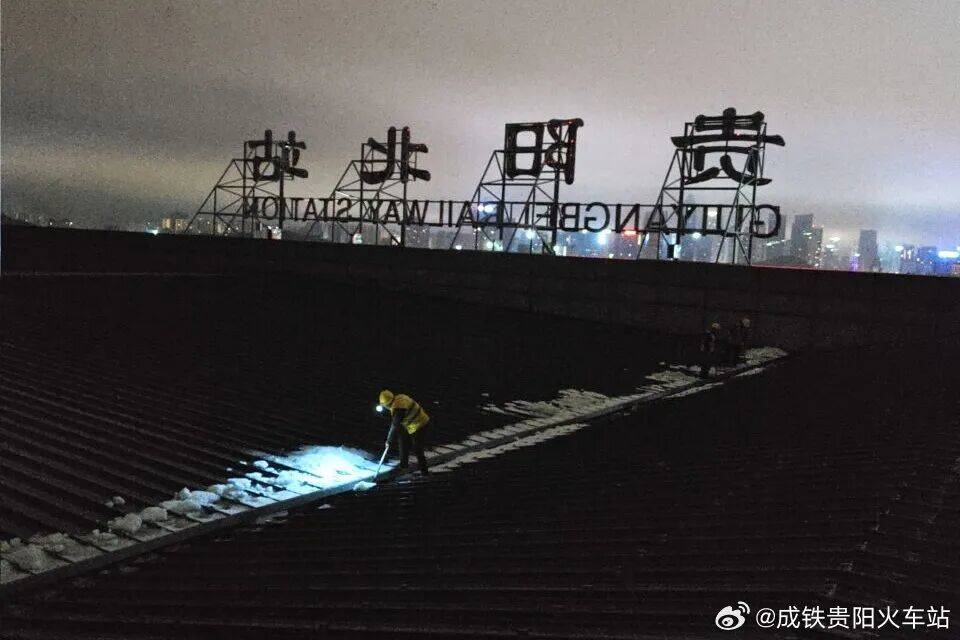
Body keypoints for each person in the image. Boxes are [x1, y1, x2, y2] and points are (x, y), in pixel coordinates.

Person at [378, 390, 431, 475]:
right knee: (402, 439)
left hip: (420, 424)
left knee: (417, 449)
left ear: (387, 404)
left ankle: (424, 473)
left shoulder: (398, 408)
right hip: (412, 423)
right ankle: (404, 466)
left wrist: (389, 441)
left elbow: (395, 425)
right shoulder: (399, 398)